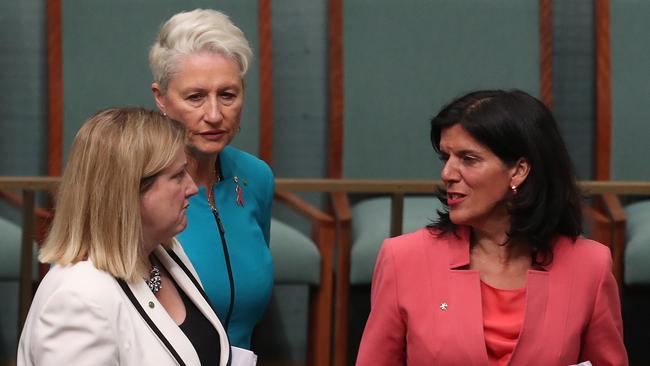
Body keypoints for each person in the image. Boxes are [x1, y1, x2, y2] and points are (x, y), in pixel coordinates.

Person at [356, 90, 628, 365]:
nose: (447, 173)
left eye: (468, 158)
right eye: (445, 158)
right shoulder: (403, 259)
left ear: (519, 170)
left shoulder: (589, 266)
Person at [17, 108, 232, 365]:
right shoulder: (78, 298)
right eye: (177, 176)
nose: (191, 188)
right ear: (127, 192)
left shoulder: (164, 250)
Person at [149, 9, 274, 352]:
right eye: (195, 97)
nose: (215, 114)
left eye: (228, 95)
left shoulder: (256, 177)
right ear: (161, 98)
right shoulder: (134, 184)